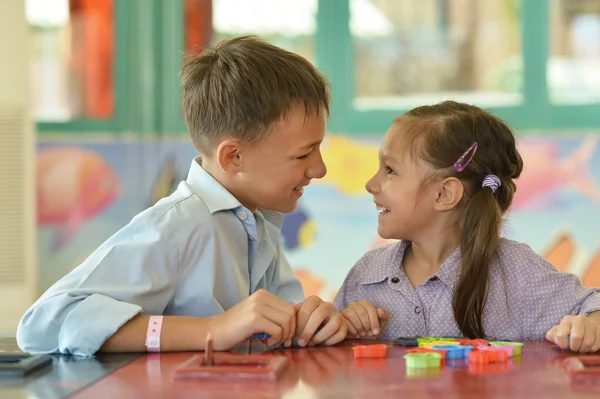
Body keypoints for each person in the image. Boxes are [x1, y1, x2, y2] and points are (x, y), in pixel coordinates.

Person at [18, 36, 347, 356]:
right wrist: (212, 330)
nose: (319, 169)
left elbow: (275, 329)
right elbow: (43, 324)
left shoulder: (259, 224)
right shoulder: (177, 227)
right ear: (232, 157)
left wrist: (312, 323)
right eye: (303, 155)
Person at [334, 100, 600, 353]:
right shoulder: (365, 276)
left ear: (444, 194)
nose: (371, 183)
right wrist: (344, 328)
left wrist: (590, 327)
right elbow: (330, 355)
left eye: (390, 170)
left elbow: (593, 307)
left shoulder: (518, 272)